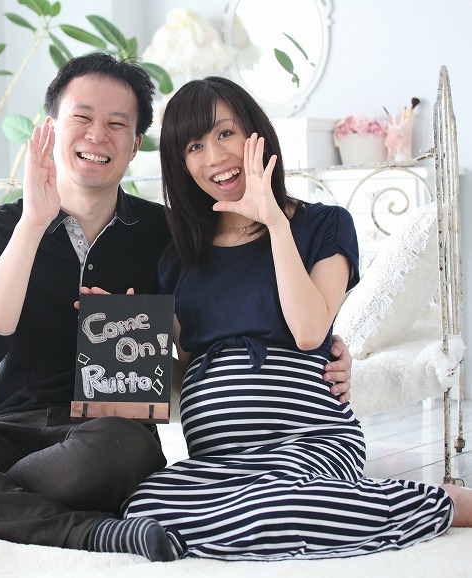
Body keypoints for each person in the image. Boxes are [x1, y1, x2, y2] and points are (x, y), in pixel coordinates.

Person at [0, 54, 354, 561]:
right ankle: (81, 530)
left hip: (108, 439)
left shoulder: (168, 236)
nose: (98, 135)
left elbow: (212, 336)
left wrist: (326, 349)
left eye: (117, 123)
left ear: (136, 144)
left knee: (121, 449)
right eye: (82, 118)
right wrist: (33, 224)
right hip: (10, 433)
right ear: (52, 127)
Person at [121, 75, 472, 560]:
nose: (214, 156)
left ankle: (443, 504)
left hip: (309, 440)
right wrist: (128, 340)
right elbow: (180, 367)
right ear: (181, 164)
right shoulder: (179, 257)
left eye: (225, 133)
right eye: (194, 146)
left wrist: (273, 221)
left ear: (256, 134)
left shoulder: (323, 225)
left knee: (273, 505)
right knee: (144, 502)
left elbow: (309, 332)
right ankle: (297, 514)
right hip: (220, 460)